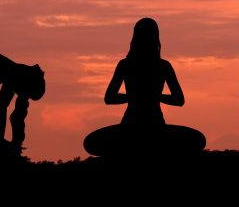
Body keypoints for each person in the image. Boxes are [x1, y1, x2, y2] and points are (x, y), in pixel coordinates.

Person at [83, 18, 206, 157]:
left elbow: (179, 99)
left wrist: (146, 96)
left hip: (149, 125)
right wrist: (146, 96)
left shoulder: (130, 65)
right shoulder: (159, 66)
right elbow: (109, 98)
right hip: (139, 126)